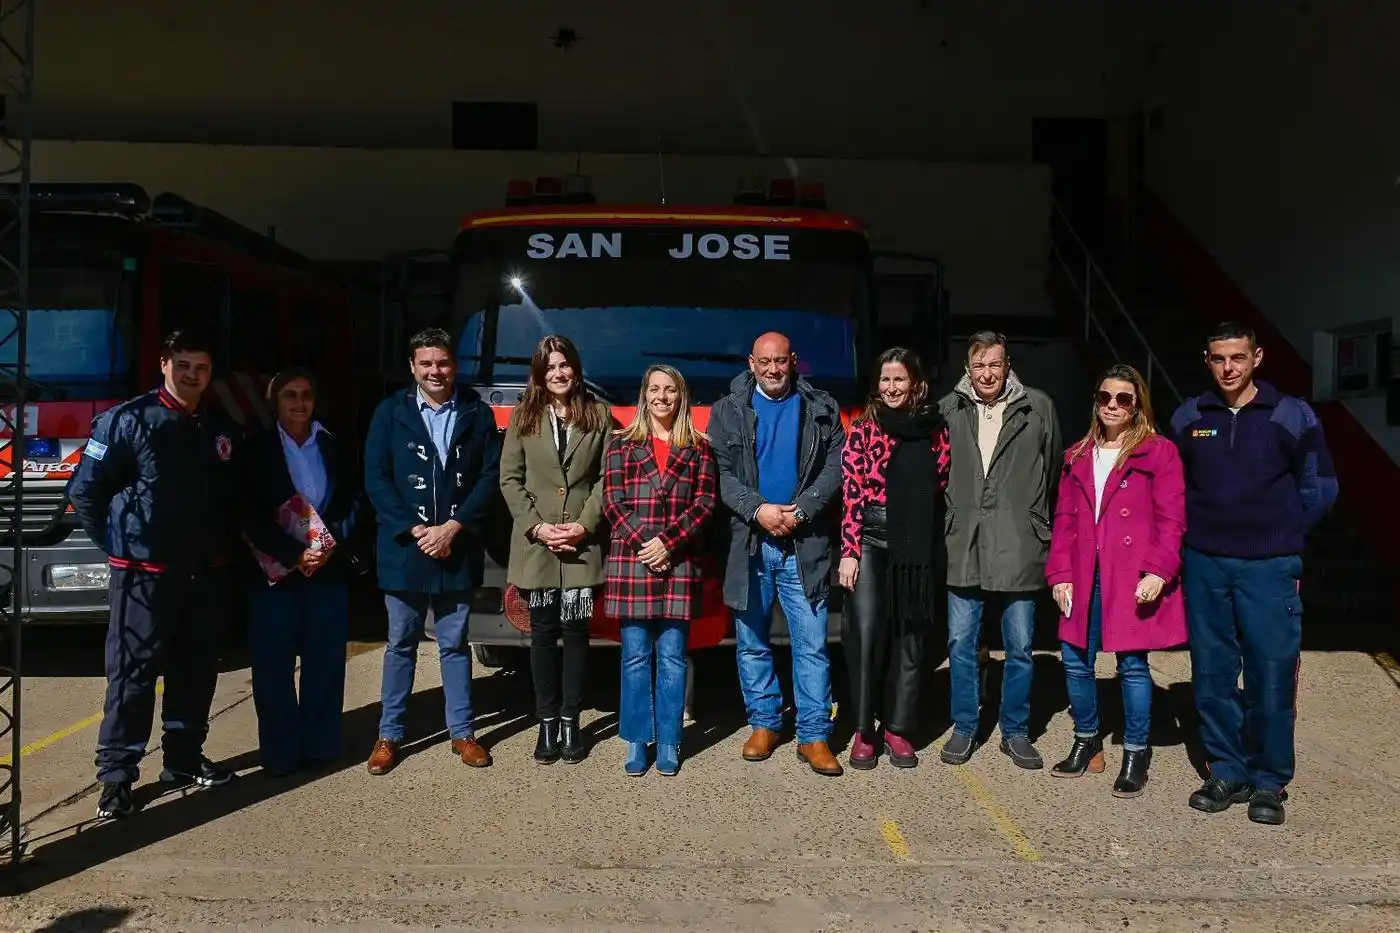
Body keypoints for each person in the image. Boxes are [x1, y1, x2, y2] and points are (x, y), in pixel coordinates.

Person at [67, 329, 244, 819]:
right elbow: (85, 491)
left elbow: (236, 499)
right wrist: (118, 548)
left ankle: (184, 762)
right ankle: (118, 778)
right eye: (183, 364)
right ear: (164, 364)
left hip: (204, 574)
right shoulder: (126, 420)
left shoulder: (218, 428)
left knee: (196, 671)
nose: (192, 375)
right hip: (143, 576)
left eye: (202, 368)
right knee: (132, 677)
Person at [1170, 321, 1338, 825]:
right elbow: (1173, 489)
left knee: (1271, 672)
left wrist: (1281, 531)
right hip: (1206, 564)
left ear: (1257, 358)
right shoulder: (1189, 416)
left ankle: (1269, 780)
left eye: (1238, 358)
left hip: (1269, 566)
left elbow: (1321, 486)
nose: (1228, 368)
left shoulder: (1290, 415)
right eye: (1219, 358)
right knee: (1213, 673)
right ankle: (1227, 769)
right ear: (1207, 360)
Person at [362, 327, 502, 775]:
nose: (435, 371)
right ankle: (389, 735)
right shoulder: (389, 412)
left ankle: (463, 733)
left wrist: (453, 528)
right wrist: (417, 528)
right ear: (412, 367)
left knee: (455, 644)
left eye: (442, 362)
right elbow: (376, 478)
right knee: (400, 643)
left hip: (456, 546)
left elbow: (490, 476)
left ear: (453, 365)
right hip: (406, 547)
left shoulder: (477, 412)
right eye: (426, 363)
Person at [1045, 364, 1187, 796]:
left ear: (1137, 404)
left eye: (1123, 398)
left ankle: (1136, 751)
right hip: (1085, 570)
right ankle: (1087, 740)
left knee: (1132, 665)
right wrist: (1060, 574)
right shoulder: (1077, 455)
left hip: (1131, 574)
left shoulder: (1159, 453)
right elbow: (1065, 520)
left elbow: (1172, 519)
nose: (1112, 405)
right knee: (1074, 658)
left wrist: (1159, 571)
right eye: (1105, 397)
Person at [709, 331, 846, 777]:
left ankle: (813, 735)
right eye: (765, 362)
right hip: (750, 541)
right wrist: (759, 510)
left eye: (781, 361)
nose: (773, 369)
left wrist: (803, 511)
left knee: (811, 645)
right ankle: (765, 723)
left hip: (804, 545)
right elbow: (721, 474)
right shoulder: (727, 410)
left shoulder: (822, 408)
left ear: (794, 362)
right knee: (751, 643)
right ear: (752, 363)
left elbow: (834, 467)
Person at [937, 330, 1061, 769]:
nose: (987, 374)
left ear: (1007, 365)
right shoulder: (948, 409)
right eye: (979, 366)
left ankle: (1015, 731)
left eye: (995, 364)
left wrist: (1035, 521)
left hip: (1019, 540)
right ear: (967, 369)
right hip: (963, 539)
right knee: (960, 642)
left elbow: (1054, 474)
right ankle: (965, 726)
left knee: (1022, 645)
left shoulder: (1037, 407)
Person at [238, 368, 361, 776]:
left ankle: (321, 745)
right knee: (273, 667)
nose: (298, 403)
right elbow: (247, 513)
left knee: (325, 661)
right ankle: (280, 752)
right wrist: (295, 553)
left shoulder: (333, 443)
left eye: (305, 394)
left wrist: (330, 545)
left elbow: (354, 500)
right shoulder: (256, 449)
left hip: (326, 569)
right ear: (276, 401)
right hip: (276, 572)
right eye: (289, 395)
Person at [498, 335, 612, 764]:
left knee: (576, 634)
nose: (558, 374)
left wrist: (584, 525)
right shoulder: (522, 418)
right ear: (539, 374)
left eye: (564, 366)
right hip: (539, 548)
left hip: (581, 548)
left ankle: (571, 721)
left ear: (575, 369)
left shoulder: (599, 417)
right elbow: (510, 479)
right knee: (543, 634)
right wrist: (537, 527)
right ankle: (546, 723)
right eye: (550, 368)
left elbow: (606, 478)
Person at [601, 365, 717, 776]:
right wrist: (645, 544)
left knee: (672, 657)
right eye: (654, 389)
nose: (662, 397)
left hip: (679, 560)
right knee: (634, 657)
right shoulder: (620, 444)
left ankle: (669, 740)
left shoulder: (700, 447)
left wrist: (667, 543)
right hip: (634, 562)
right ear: (644, 394)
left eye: (669, 390)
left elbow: (704, 504)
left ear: (680, 396)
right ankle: (637, 740)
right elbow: (612, 502)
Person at [838, 348, 950, 770]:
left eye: (899, 380)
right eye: (885, 380)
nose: (891, 388)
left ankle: (899, 729)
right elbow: (851, 495)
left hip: (914, 547)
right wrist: (849, 552)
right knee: (866, 634)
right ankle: (865, 730)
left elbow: (939, 484)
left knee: (910, 637)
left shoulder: (935, 431)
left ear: (915, 383)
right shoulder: (863, 431)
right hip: (868, 540)